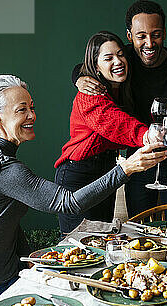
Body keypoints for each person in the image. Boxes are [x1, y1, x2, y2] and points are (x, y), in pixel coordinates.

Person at [0, 75, 165, 306]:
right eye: (21, 109)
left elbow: (4, 223)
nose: (31, 115)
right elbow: (69, 203)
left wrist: (32, 263)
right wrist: (126, 169)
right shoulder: (1, 168)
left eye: (31, 107)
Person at [72, 0, 167, 218]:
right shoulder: (124, 59)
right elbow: (89, 65)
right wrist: (80, 78)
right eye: (141, 36)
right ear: (130, 36)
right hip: (140, 159)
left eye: (156, 34)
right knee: (140, 229)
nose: (149, 43)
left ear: (164, 33)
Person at [54, 31, 153, 234]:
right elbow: (117, 124)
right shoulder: (90, 94)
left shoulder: (120, 90)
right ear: (96, 67)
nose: (118, 61)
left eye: (121, 54)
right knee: (78, 246)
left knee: (102, 242)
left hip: (106, 172)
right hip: (78, 175)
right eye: (108, 58)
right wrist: (148, 135)